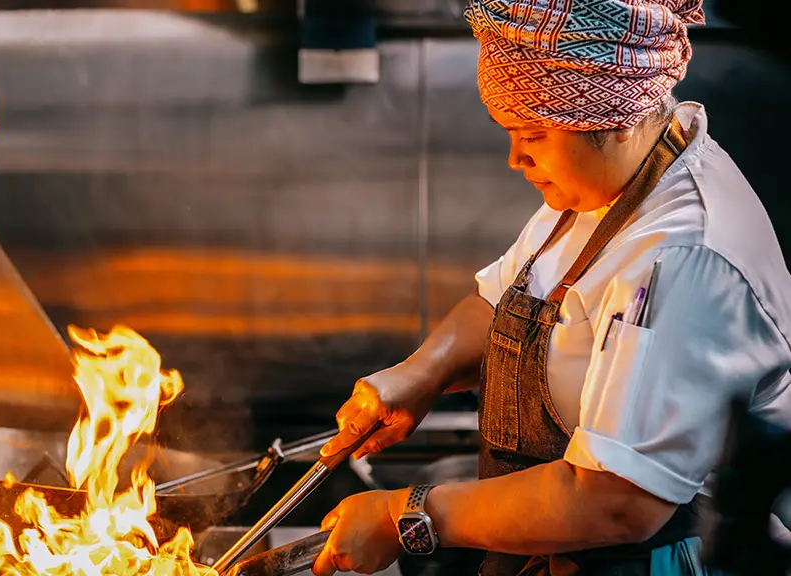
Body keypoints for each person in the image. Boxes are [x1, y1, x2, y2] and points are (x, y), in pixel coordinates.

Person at [311, 1, 791, 575]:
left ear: (614, 119)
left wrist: (405, 515)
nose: (516, 157)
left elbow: (617, 503)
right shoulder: (603, 189)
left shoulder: (683, 257)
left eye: (532, 134)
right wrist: (419, 374)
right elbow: (505, 301)